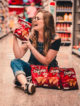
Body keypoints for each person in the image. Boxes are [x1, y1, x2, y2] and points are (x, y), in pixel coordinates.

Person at [10, 9, 61, 94]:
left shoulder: (55, 39)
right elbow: (18, 55)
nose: (34, 20)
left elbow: (46, 61)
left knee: (18, 78)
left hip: (48, 71)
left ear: (46, 22)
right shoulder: (31, 36)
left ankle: (25, 79)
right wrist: (15, 36)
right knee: (14, 62)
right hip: (33, 69)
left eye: (38, 19)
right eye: (35, 18)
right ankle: (27, 85)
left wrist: (31, 47)